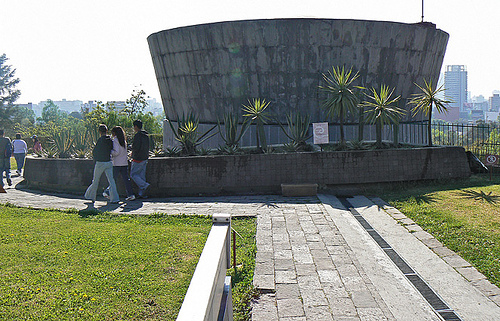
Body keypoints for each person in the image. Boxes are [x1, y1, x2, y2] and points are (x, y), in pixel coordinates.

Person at [84, 124, 119, 204]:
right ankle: (115, 199)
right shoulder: (110, 140)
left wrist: (95, 159)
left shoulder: (100, 140)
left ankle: (91, 197)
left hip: (100, 162)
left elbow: (95, 152)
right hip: (109, 162)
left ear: (99, 132)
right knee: (111, 181)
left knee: (95, 180)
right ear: (106, 131)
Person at [103, 126, 136, 201]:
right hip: (124, 163)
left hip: (117, 163)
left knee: (113, 179)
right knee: (126, 180)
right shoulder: (123, 141)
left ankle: (107, 192)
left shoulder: (115, 140)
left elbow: (116, 152)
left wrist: (110, 152)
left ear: (114, 133)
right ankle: (131, 194)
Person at [130, 119, 150, 198]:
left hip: (137, 158)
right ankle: (142, 194)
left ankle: (145, 185)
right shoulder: (146, 135)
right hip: (145, 157)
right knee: (142, 176)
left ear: (136, 126)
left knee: (133, 174)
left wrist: (131, 148)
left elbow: (136, 147)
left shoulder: (137, 135)